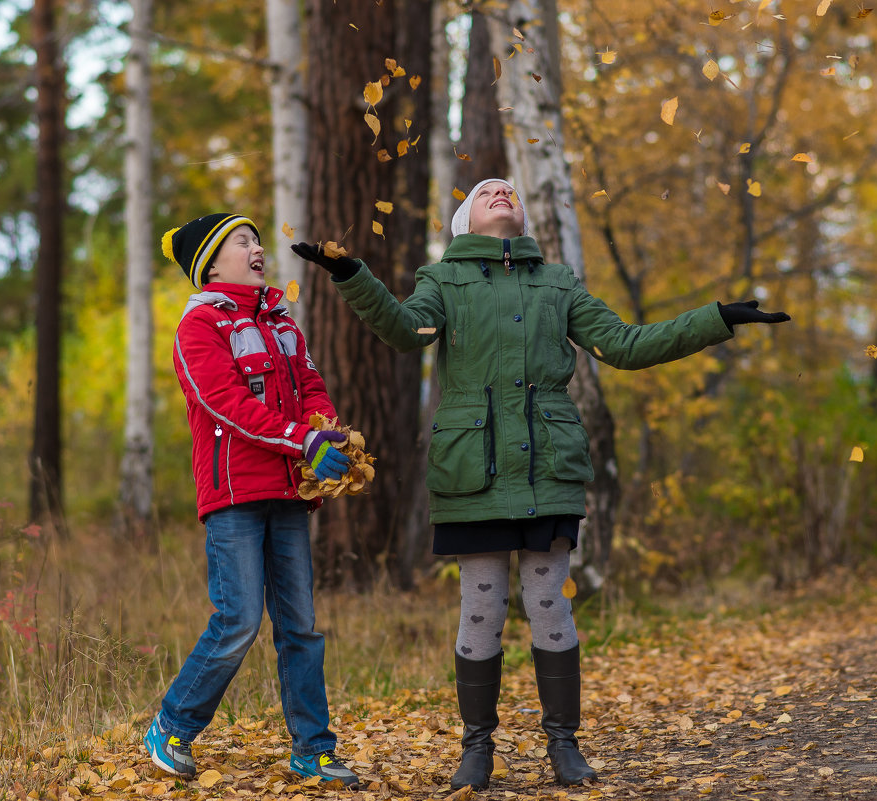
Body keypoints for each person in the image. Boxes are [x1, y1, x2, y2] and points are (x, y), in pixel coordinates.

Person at [291, 179, 790, 790]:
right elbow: (403, 332)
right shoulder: (440, 281)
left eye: (508, 191)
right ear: (465, 221)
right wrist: (352, 275)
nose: (501, 191)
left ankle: (563, 745)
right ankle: (476, 750)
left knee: (550, 605)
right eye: (486, 192)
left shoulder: (558, 284)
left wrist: (717, 319)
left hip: (547, 465)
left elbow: (625, 346)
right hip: (471, 465)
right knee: (480, 611)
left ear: (521, 219)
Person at [145, 212, 360, 789]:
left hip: (290, 492)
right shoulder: (199, 327)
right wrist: (302, 440)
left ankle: (313, 751)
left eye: (257, 239)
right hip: (236, 494)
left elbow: (310, 386)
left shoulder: (283, 321)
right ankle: (172, 724)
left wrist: (327, 430)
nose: (257, 247)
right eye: (242, 241)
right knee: (238, 619)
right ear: (211, 264)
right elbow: (225, 405)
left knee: (301, 626)